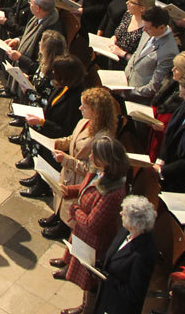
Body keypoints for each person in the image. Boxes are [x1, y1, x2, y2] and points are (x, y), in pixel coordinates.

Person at [53, 135, 130, 314]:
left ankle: (87, 308)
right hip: (82, 232)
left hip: (95, 240)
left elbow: (92, 224)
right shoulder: (97, 171)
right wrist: (70, 191)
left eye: (94, 155)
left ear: (106, 161)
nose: (90, 157)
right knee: (77, 261)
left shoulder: (114, 192)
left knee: (90, 280)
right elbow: (83, 188)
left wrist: (74, 210)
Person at [90, 195, 158, 314]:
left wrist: (107, 278)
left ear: (135, 222)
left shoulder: (144, 255)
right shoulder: (125, 231)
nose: (121, 213)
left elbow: (134, 294)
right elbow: (112, 256)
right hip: (105, 298)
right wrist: (97, 266)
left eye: (125, 213)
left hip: (118, 308)